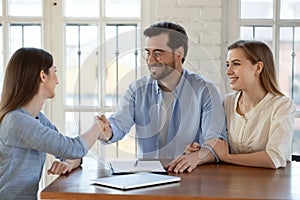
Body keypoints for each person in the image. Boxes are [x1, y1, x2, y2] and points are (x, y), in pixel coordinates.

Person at [97, 21, 227, 173]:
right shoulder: (137, 89)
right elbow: (119, 123)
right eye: (148, 52)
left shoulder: (205, 91)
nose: (150, 60)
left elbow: (217, 141)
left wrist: (197, 156)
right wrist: (107, 132)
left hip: (190, 176)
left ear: (179, 53)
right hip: (147, 181)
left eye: (158, 53)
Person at [0, 47, 105, 200]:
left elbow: (68, 153)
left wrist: (69, 163)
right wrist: (98, 126)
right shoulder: (17, 121)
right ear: (43, 76)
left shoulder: (37, 118)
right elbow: (74, 148)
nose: (57, 80)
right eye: (54, 71)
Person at [186, 40, 296, 169]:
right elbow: (216, 144)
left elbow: (274, 157)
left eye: (236, 64)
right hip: (231, 183)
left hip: (269, 185)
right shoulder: (227, 102)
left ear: (258, 68)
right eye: (228, 64)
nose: (228, 71)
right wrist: (200, 150)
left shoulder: (282, 106)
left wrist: (227, 157)